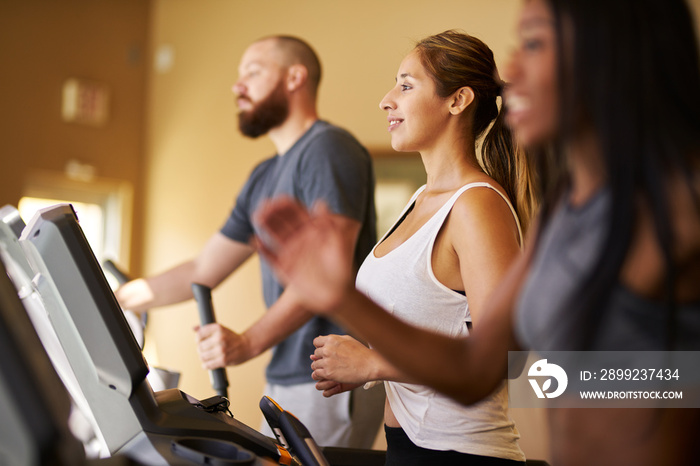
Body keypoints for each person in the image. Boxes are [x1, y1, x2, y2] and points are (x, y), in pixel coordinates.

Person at [252, 0, 700, 464]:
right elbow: (478, 368)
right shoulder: (566, 211)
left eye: (534, 43)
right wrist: (338, 296)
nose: (510, 70)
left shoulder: (683, 210)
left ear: (608, 55)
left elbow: (650, 384)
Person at [273, 30, 534, 465]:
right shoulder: (420, 199)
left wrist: (374, 365)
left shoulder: (477, 205)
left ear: (458, 100)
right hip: (406, 449)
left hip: (462, 452)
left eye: (406, 86)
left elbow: (506, 357)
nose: (386, 100)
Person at [115, 35, 384, 448]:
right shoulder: (264, 176)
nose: (237, 86)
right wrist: (117, 299)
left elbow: (325, 274)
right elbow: (201, 269)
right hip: (287, 377)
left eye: (253, 72)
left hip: (331, 374)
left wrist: (246, 342)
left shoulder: (329, 149)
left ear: (295, 77)